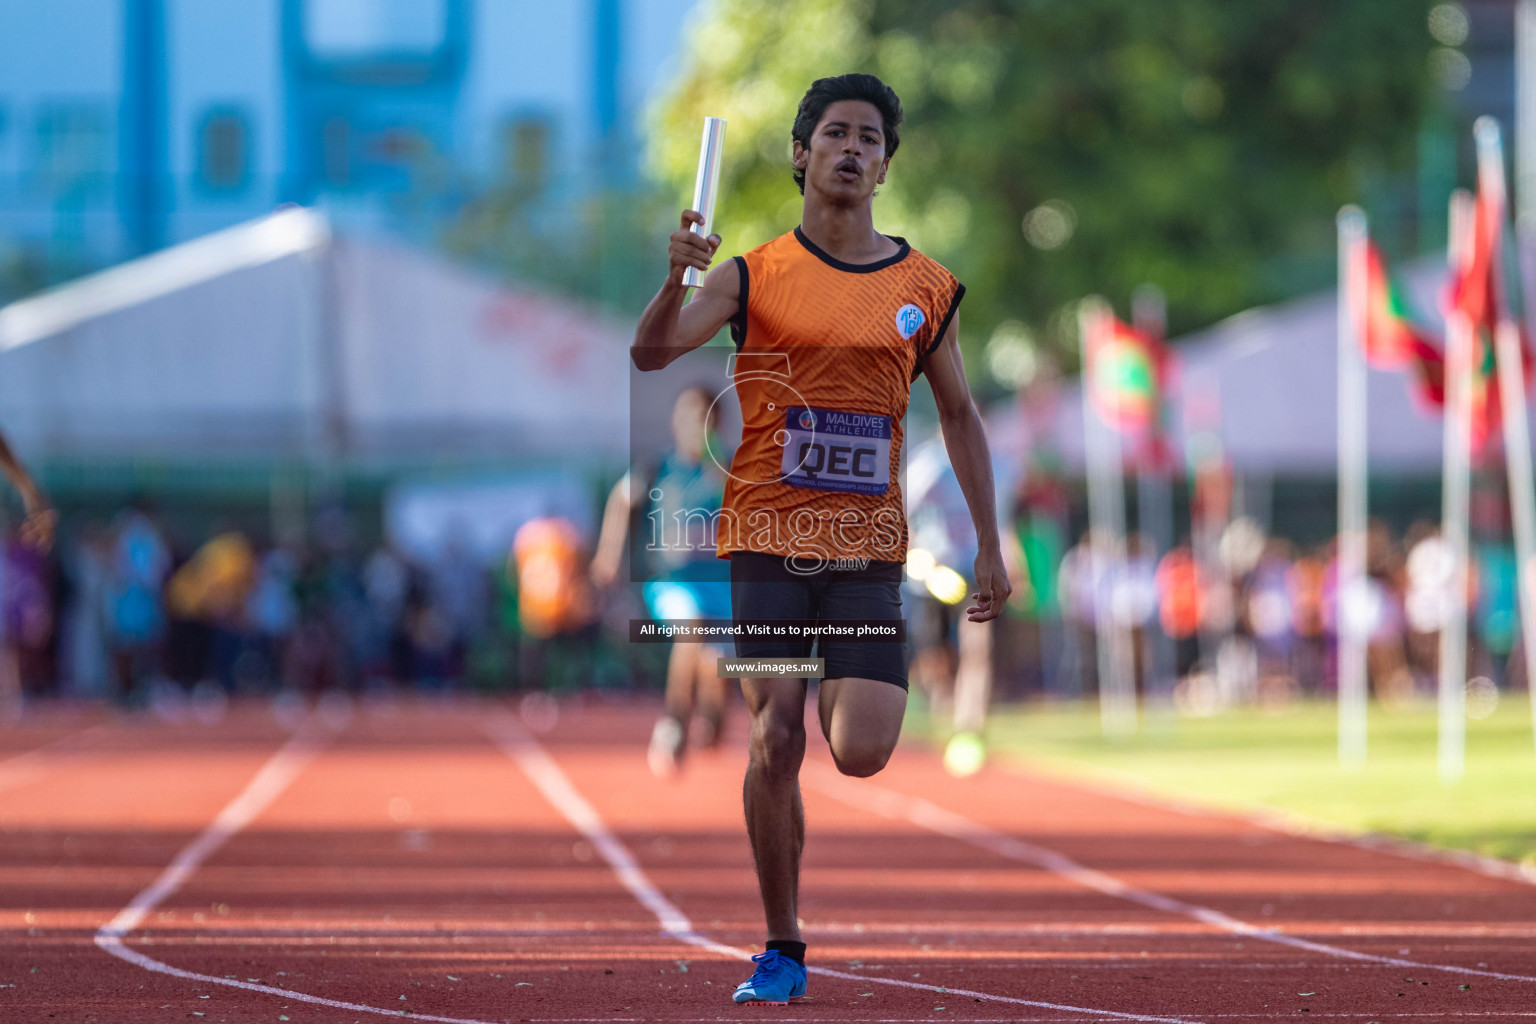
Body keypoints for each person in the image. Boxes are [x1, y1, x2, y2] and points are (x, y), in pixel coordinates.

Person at [631, 73, 1008, 1005]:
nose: (850, 149)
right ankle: (783, 946)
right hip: (763, 541)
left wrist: (990, 546)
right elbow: (652, 352)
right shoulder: (754, 273)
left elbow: (960, 417)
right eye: (834, 133)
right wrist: (677, 271)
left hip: (868, 553)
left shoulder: (923, 288)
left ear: (884, 165)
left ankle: (789, 918)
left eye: (868, 139)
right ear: (802, 155)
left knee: (866, 748)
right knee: (777, 736)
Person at [591, 385, 735, 776]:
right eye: (686, 416)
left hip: (724, 587)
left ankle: (715, 716)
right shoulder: (656, 468)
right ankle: (674, 721)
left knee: (717, 663)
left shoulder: (732, 470)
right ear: (675, 421)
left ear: (716, 425)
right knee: (692, 629)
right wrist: (609, 553)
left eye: (703, 418)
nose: (693, 425)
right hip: (672, 584)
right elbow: (622, 502)